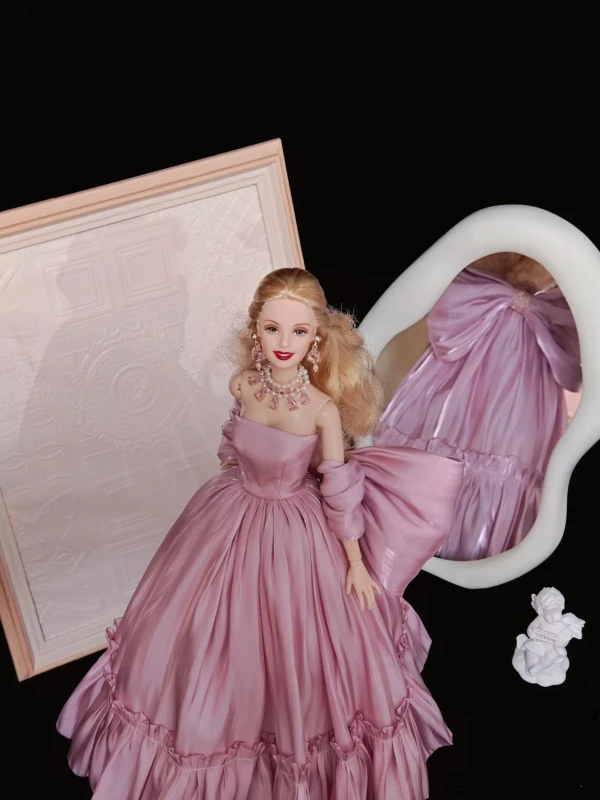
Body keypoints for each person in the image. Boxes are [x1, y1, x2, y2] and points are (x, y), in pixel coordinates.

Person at [57, 268, 464, 799]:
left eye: (298, 331)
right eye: (273, 329)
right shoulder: (243, 385)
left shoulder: (321, 410)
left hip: (299, 532)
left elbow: (339, 489)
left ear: (316, 338)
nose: (284, 342)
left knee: (298, 641)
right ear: (256, 331)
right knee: (202, 631)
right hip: (229, 515)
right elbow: (233, 450)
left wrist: (355, 561)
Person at [374, 253, 582, 561]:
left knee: (510, 447)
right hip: (473, 347)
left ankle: (466, 545)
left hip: (529, 366)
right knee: (442, 425)